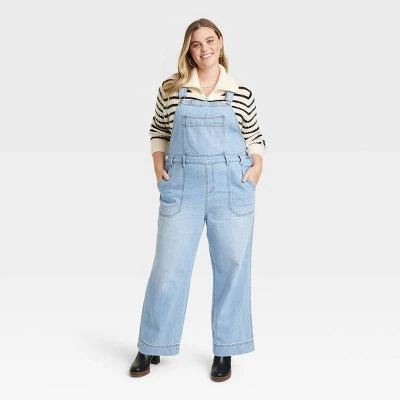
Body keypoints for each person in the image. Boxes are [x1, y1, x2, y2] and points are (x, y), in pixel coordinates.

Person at [129, 18, 265, 382]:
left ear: (220, 42)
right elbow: (159, 130)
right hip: (183, 185)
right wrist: (159, 166)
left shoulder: (241, 92)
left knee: (233, 267)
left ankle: (226, 349)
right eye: (196, 43)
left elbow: (254, 136)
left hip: (231, 185)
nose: (204, 48)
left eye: (209, 40)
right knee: (168, 268)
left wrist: (256, 169)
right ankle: (151, 343)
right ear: (188, 50)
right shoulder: (172, 89)